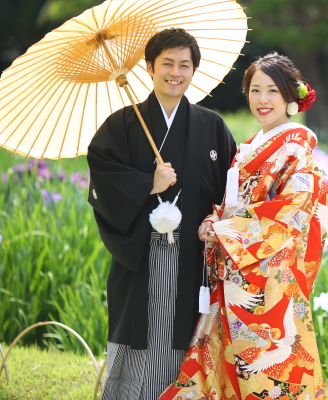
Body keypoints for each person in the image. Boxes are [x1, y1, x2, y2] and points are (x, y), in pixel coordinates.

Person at [160, 53, 328, 400]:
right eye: (255, 90)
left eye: (272, 91)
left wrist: (226, 231)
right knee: (227, 358)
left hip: (268, 276)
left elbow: (292, 209)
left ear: (290, 97)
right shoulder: (250, 147)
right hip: (237, 267)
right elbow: (232, 203)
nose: (262, 100)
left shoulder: (296, 146)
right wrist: (214, 220)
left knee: (270, 366)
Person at [87, 28, 237, 400]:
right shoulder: (121, 126)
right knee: (142, 337)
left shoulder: (212, 126)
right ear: (149, 67)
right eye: (166, 63)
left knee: (189, 339)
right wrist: (147, 184)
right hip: (141, 255)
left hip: (193, 259)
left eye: (184, 65)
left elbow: (231, 194)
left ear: (193, 70)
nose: (175, 72)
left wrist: (214, 224)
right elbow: (102, 182)